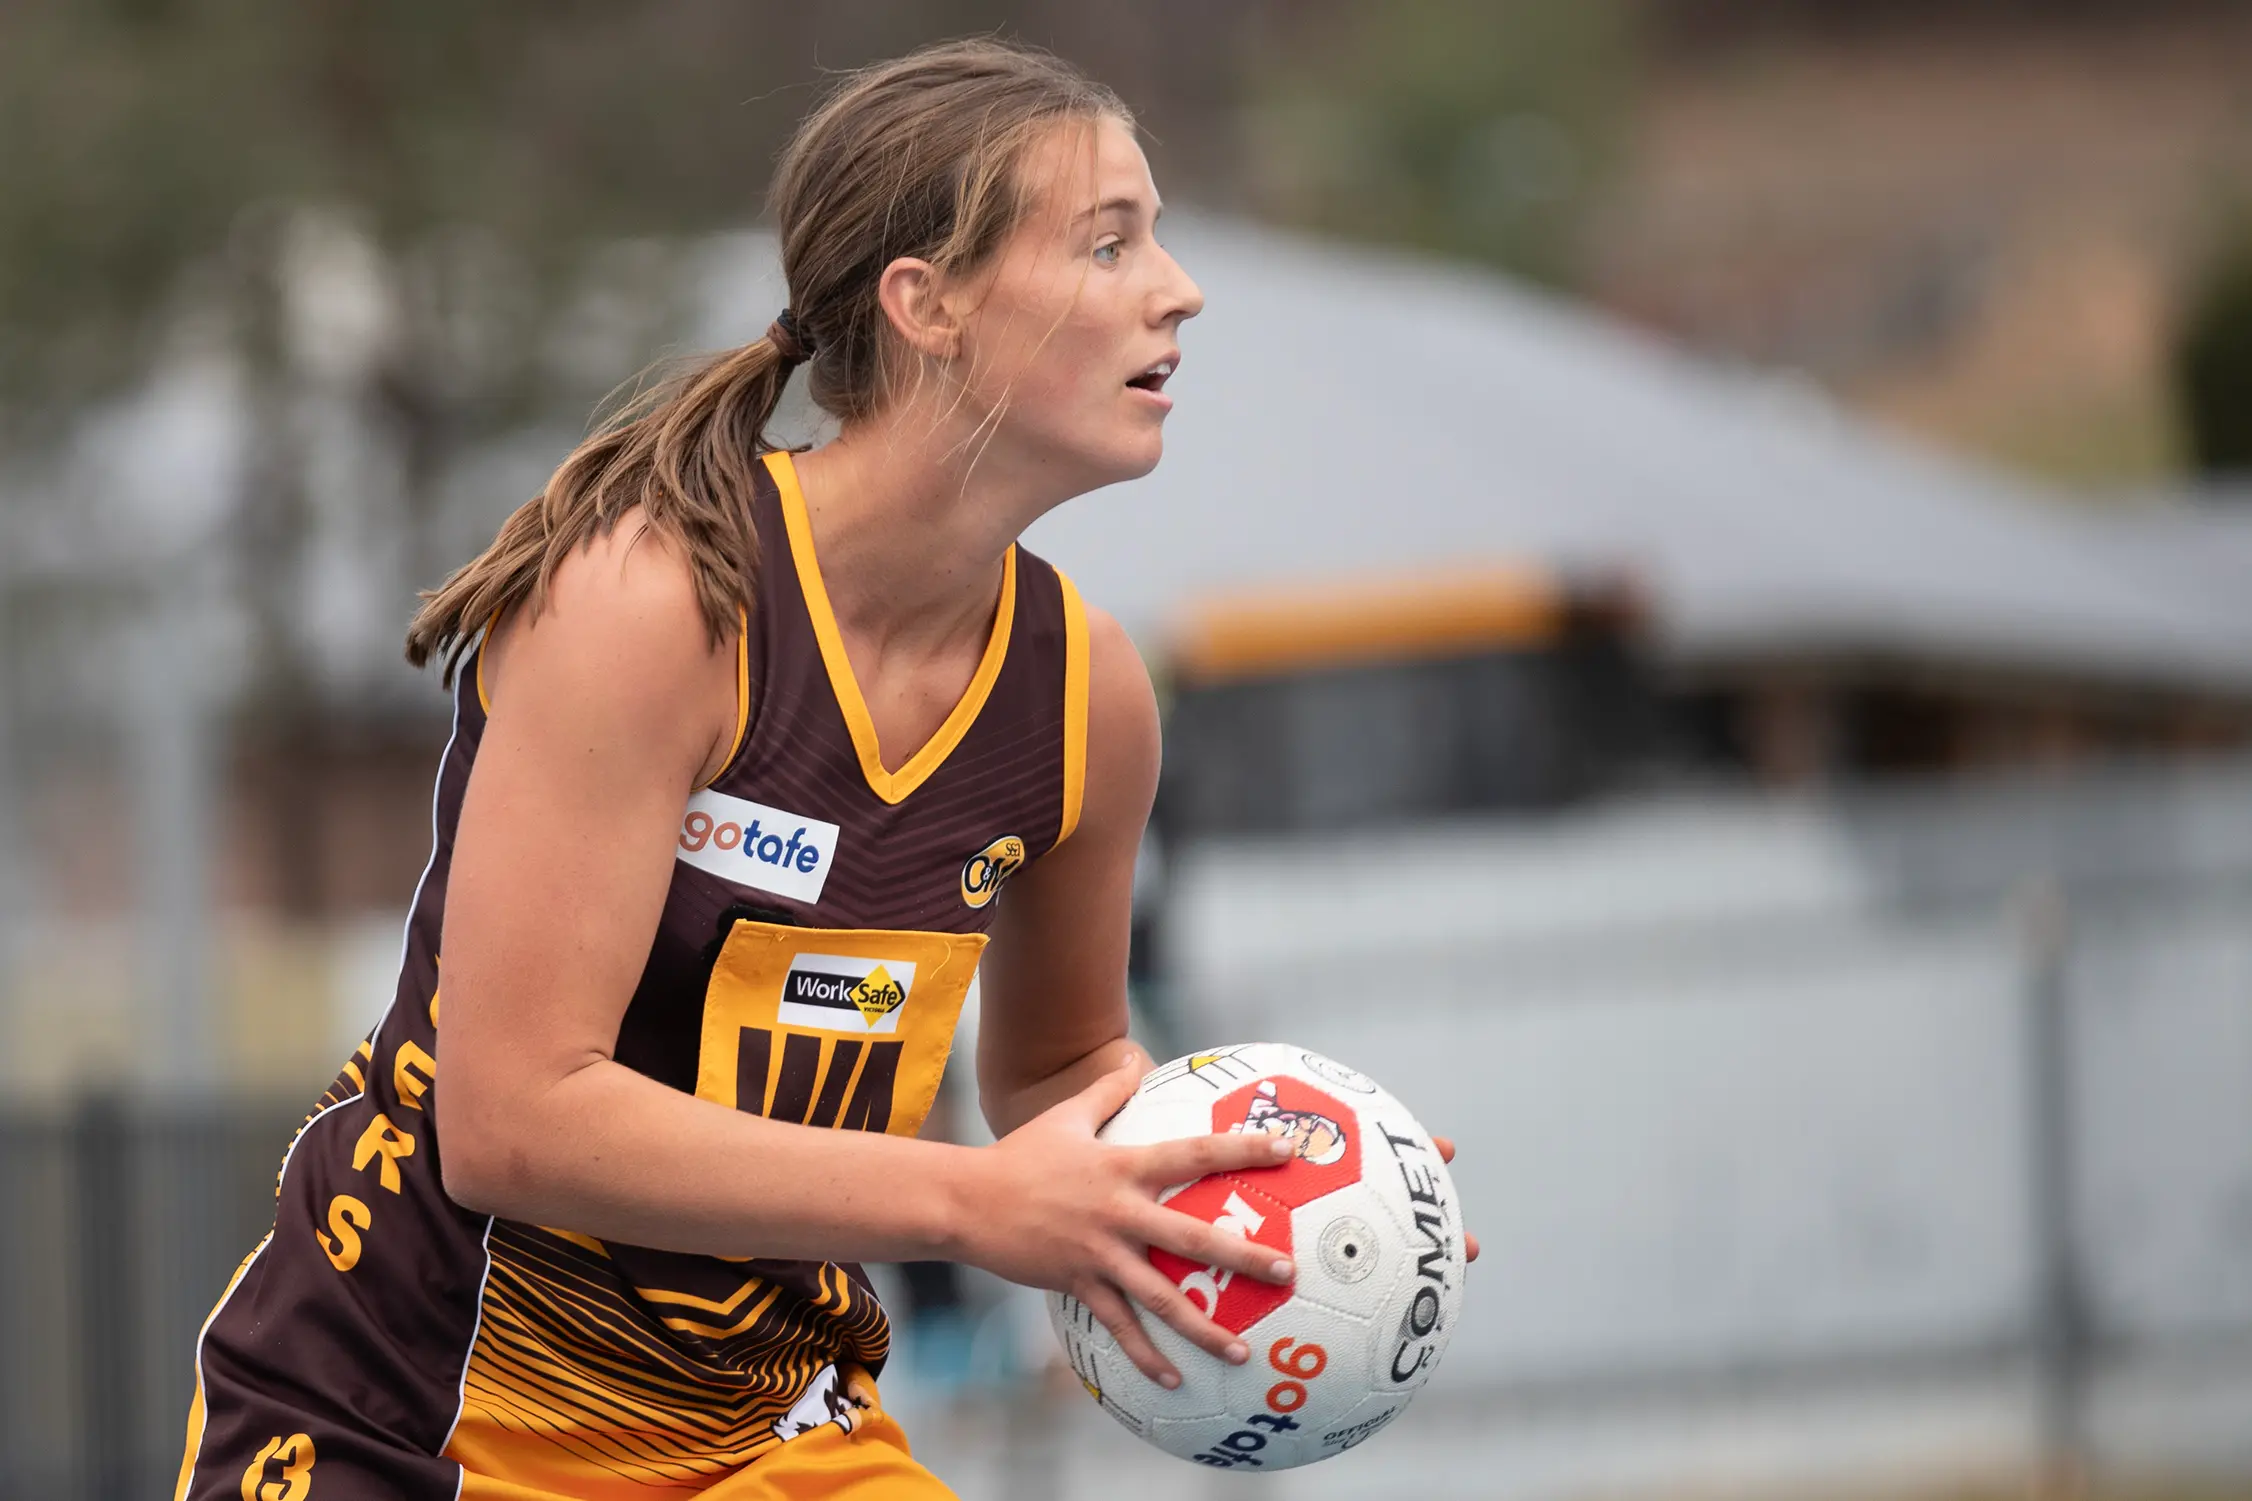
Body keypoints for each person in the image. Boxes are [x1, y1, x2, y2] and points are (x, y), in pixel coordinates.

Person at [176, 40, 1471, 1501]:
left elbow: (1057, 1074)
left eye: (1159, 237)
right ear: (927, 306)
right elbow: (512, 1118)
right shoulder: (656, 608)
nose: (1178, 287)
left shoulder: (1089, 695)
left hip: (762, 1435)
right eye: (1109, 241)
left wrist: (1290, 1172)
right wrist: (972, 1202)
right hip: (414, 1414)